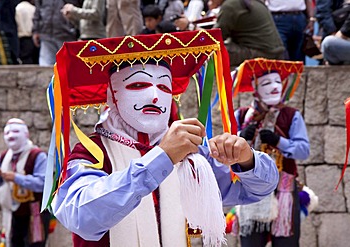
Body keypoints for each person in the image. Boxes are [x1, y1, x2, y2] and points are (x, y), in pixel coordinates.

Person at [42, 29, 279, 246]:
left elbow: (256, 190)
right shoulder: (91, 153)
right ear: (112, 96)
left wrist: (247, 160)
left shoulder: (190, 154)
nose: (155, 97)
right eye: (138, 84)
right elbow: (82, 216)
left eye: (165, 88)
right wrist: (161, 158)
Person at [232, 58, 310, 247]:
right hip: (251, 187)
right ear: (255, 87)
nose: (274, 87)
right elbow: (227, 151)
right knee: (251, 242)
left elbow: (303, 150)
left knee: (286, 242)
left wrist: (279, 142)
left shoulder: (291, 115)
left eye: (277, 81)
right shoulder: (241, 115)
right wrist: (242, 136)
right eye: (266, 83)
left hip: (284, 188)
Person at [0, 118, 50, 247]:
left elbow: (43, 183)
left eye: (15, 131)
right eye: (7, 133)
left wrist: (16, 177)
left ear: (26, 134)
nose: (11, 136)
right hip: (12, 214)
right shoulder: (4, 157)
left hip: (34, 214)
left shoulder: (38, 155)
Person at [211, 0, 285, 67]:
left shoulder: (230, 5)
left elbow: (216, 38)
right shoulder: (253, 2)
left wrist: (201, 34)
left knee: (210, 51)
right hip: (275, 53)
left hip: (260, 53)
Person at [32, 0, 79, 66]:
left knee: (66, 66)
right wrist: (35, 30)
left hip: (66, 35)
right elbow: (38, 10)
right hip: (46, 34)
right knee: (46, 67)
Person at [15, 0, 40, 64]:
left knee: (26, 60)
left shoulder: (17, 8)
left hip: (23, 38)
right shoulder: (33, 8)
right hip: (34, 38)